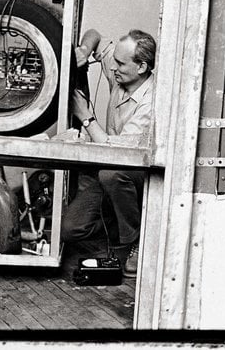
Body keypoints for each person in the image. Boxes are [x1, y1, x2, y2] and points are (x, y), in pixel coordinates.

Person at [63, 28, 156, 278]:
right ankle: (117, 226)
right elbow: (94, 34)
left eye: (120, 63)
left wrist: (85, 117)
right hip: (109, 172)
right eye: (113, 60)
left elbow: (116, 152)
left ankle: (138, 240)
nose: (112, 67)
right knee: (71, 230)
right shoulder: (121, 74)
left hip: (136, 176)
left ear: (142, 67)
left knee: (111, 174)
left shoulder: (150, 104)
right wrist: (83, 50)